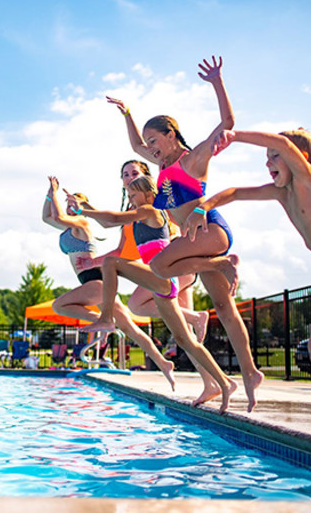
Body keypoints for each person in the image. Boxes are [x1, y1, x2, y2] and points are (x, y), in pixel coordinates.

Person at [185, 128, 311, 441]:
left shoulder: (310, 182)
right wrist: (203, 207)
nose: (269, 162)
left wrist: (235, 135)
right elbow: (237, 192)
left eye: (274, 156)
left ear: (300, 158)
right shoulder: (282, 193)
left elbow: (280, 141)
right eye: (266, 159)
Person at [106, 56, 263, 412]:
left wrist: (217, 82)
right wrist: (128, 113)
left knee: (160, 268)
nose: (149, 146)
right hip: (197, 240)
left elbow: (227, 123)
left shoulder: (192, 160)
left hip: (210, 231)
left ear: (171, 134)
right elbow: (133, 146)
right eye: (147, 141)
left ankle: (224, 262)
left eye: (154, 139)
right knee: (223, 307)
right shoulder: (161, 164)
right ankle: (250, 373)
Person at [72, 176, 236, 411]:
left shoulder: (151, 211)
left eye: (134, 195)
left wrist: (84, 210)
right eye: (128, 196)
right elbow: (114, 227)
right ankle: (223, 383)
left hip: (162, 277)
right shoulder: (139, 218)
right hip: (160, 285)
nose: (131, 200)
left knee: (110, 264)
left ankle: (107, 318)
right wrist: (83, 207)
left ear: (149, 195)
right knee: (185, 340)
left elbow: (111, 220)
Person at [43, 175, 176, 388]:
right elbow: (47, 218)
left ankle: (104, 322)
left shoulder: (81, 222)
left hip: (94, 280)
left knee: (60, 306)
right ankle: (163, 363)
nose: (69, 208)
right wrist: (50, 195)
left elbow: (57, 217)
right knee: (131, 328)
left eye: (72, 205)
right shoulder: (69, 227)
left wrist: (59, 197)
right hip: (96, 283)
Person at [76, 159, 209, 341]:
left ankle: (196, 318)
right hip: (161, 268)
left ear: (147, 177)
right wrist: (92, 261)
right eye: (126, 174)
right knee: (186, 337)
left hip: (176, 264)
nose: (130, 178)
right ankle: (197, 331)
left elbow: (184, 216)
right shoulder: (132, 213)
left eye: (135, 173)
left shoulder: (156, 203)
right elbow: (121, 249)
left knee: (137, 305)